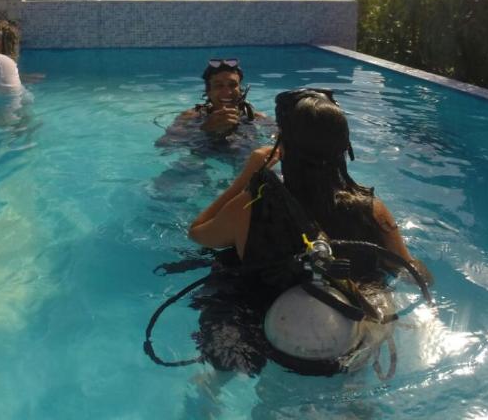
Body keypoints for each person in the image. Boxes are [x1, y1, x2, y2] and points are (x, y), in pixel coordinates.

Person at [184, 88, 431, 376]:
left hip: (269, 324)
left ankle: (212, 386)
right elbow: (414, 273)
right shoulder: (372, 209)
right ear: (343, 148)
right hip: (343, 333)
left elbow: (197, 233)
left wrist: (247, 177)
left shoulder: (250, 206)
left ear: (283, 146)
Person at [174, 58, 260, 136]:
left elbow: (272, 140)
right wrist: (206, 128)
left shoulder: (255, 117)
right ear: (208, 91)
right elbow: (166, 143)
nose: (227, 92)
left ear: (240, 89)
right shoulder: (190, 117)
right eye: (219, 86)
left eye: (232, 85)